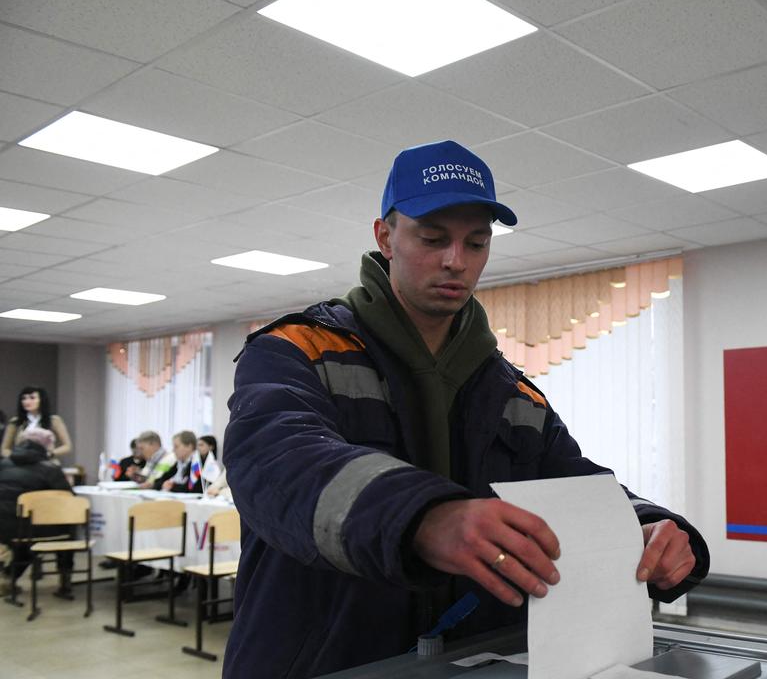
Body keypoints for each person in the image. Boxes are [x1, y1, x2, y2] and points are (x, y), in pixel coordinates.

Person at [224, 140, 710, 678]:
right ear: (385, 236)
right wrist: (424, 518)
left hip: (472, 662)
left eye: (476, 243)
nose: (456, 261)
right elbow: (276, 464)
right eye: (433, 239)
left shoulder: (512, 394)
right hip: (322, 664)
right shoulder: (299, 351)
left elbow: (578, 487)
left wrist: (648, 526)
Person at [0, 439, 74, 597]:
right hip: (34, 528)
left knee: (24, 542)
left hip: (3, 528)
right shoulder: (50, 469)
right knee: (67, 532)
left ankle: (7, 577)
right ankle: (65, 581)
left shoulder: (3, 465)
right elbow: (68, 498)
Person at [1, 387, 72, 461]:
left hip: (47, 462)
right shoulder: (15, 421)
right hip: (21, 464)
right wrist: (16, 456)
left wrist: (50, 454)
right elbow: (4, 449)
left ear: (41, 400)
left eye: (32, 398)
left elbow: (67, 446)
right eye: (24, 398)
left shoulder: (54, 420)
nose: (26, 401)